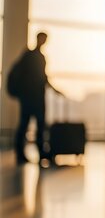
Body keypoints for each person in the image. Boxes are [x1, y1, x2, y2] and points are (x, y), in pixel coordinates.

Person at [10, 32, 62, 164]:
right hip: (34, 98)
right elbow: (42, 78)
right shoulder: (36, 57)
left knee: (26, 125)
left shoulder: (29, 55)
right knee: (36, 126)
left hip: (29, 97)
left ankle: (24, 153)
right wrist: (54, 89)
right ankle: (39, 153)